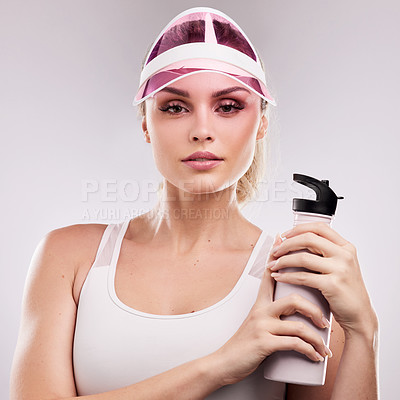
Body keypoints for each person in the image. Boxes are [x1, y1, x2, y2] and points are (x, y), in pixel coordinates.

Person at [10, 7, 379, 400]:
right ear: (147, 125)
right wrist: (221, 364)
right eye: (175, 107)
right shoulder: (69, 258)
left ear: (262, 124)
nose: (202, 131)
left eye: (228, 106)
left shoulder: (296, 277)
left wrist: (364, 333)